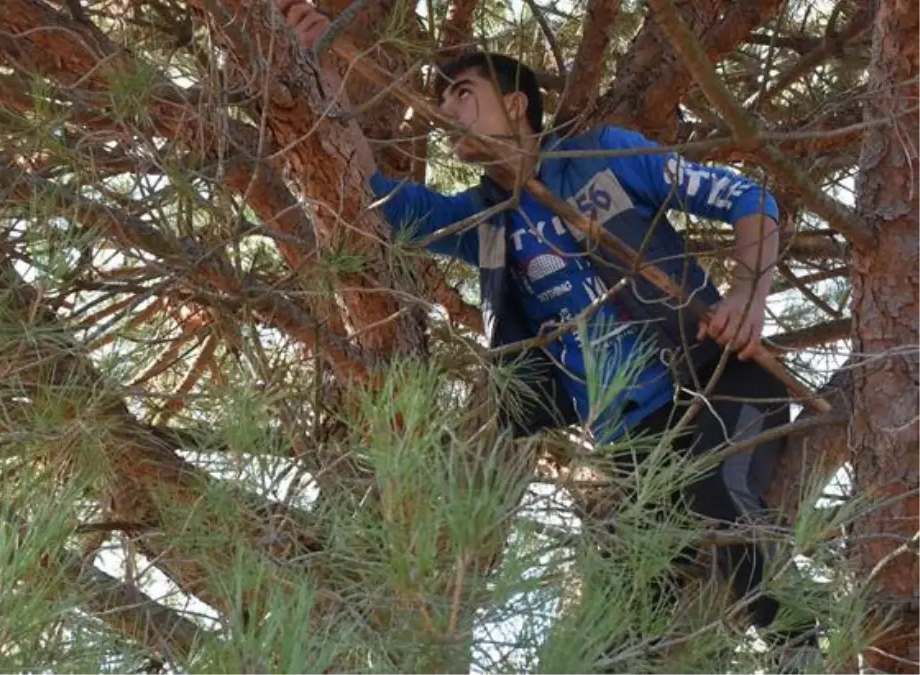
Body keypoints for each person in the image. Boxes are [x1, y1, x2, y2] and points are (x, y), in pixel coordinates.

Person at [277, 0, 820, 669]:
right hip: (630, 443)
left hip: (715, 378)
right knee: (616, 627)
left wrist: (748, 293)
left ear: (517, 104)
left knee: (721, 504)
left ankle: (808, 654)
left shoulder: (606, 156)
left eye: (463, 94)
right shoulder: (487, 222)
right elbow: (381, 202)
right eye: (442, 98)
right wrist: (314, 82)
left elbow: (747, 197)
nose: (446, 112)